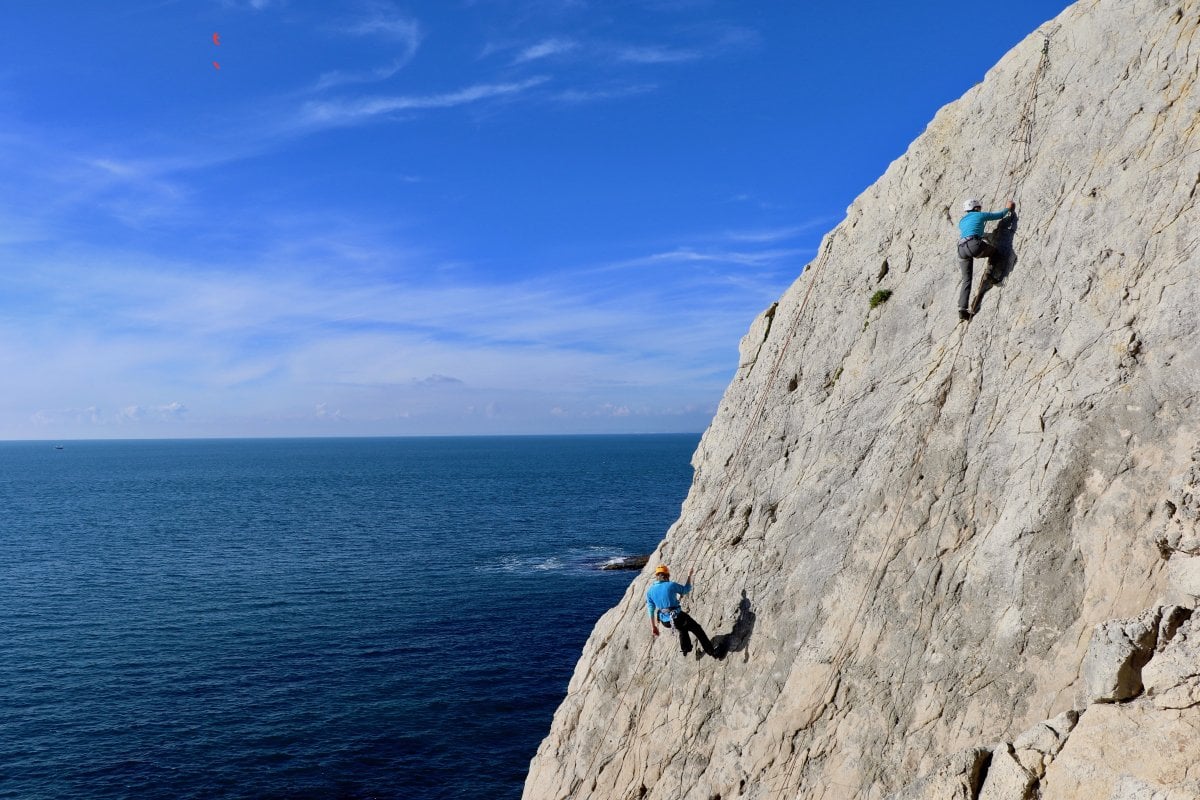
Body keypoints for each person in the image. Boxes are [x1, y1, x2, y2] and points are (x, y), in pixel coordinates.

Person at [956, 197, 1015, 320]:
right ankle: (990, 274)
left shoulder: (962, 221)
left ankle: (962, 309)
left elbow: (972, 231)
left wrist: (984, 236)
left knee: (966, 279)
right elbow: (999, 215)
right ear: (976, 208)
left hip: (961, 249)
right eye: (979, 207)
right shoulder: (979, 215)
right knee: (995, 252)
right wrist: (1008, 208)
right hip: (973, 245)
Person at [646, 564, 721, 658]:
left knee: (682, 628)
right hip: (676, 617)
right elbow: (686, 589)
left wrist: (653, 627)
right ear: (667, 575)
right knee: (697, 629)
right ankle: (712, 652)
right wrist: (689, 576)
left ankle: (686, 648)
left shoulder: (650, 591)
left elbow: (651, 609)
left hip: (665, 621)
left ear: (657, 576)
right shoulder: (671, 585)